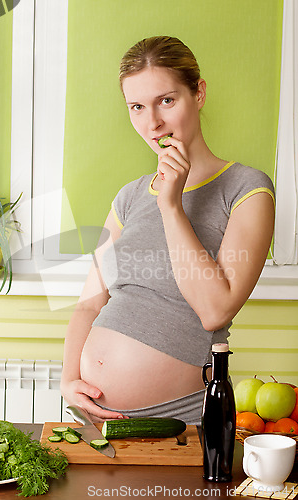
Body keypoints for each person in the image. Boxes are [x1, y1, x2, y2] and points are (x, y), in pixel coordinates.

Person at [60, 36, 275, 425]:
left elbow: (215, 310)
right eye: (137, 107)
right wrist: (68, 380)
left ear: (199, 94)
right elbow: (91, 303)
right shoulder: (129, 196)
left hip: (179, 420)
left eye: (167, 101)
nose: (152, 122)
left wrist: (171, 205)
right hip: (95, 416)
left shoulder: (247, 189)